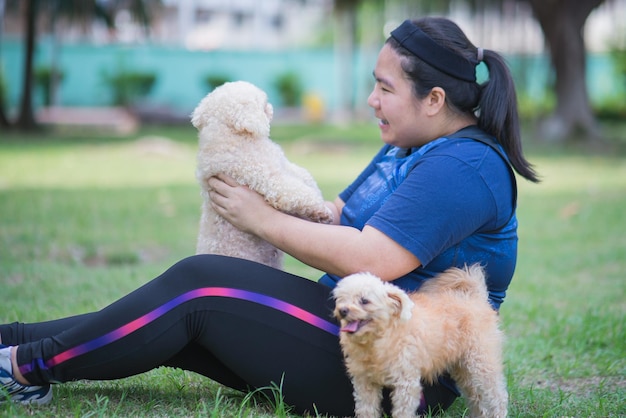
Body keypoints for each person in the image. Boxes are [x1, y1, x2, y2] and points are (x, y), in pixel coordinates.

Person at [0, 16, 539, 416]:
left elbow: (374, 257)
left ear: (434, 99)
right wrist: (259, 172)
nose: (371, 99)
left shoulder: (466, 165)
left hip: (400, 372)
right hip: (347, 327)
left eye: (385, 87)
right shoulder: (408, 148)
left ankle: (25, 367)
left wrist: (260, 219)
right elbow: (337, 218)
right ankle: (11, 341)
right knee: (187, 311)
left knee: (199, 285)